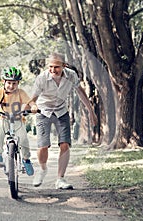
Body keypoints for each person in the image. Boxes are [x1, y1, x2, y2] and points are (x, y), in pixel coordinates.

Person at [30, 52, 97, 189]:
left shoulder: (71, 75)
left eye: (56, 67)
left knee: (65, 144)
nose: (53, 70)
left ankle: (60, 179)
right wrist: (32, 106)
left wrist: (91, 111)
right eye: (50, 67)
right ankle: (42, 169)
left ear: (64, 66)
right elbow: (33, 99)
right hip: (43, 111)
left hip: (61, 111)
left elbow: (81, 92)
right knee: (43, 145)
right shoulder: (42, 78)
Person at [0, 66, 37, 176]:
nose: (11, 86)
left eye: (14, 83)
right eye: (9, 83)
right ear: (3, 82)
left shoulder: (21, 93)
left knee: (23, 139)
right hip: (4, 118)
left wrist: (33, 107)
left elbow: (30, 102)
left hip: (18, 120)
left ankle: (26, 160)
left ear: (18, 83)